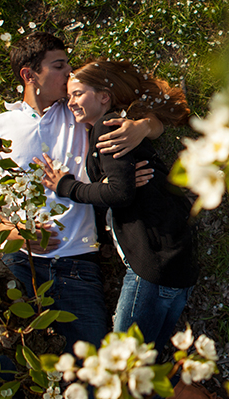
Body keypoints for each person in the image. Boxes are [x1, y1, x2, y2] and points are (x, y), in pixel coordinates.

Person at [0, 32, 163, 399]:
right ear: (31, 74)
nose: (69, 73)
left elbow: (160, 110)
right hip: (17, 260)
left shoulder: (80, 113)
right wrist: (10, 231)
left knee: (96, 378)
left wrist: (143, 127)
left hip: (78, 263)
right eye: (59, 66)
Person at [37, 60, 199, 360]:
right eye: (69, 96)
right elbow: (120, 187)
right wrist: (107, 181)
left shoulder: (106, 128)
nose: (70, 102)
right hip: (175, 264)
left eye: (77, 94)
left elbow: (119, 193)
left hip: (152, 267)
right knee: (142, 371)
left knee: (123, 368)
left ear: (104, 96)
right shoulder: (116, 126)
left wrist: (66, 186)